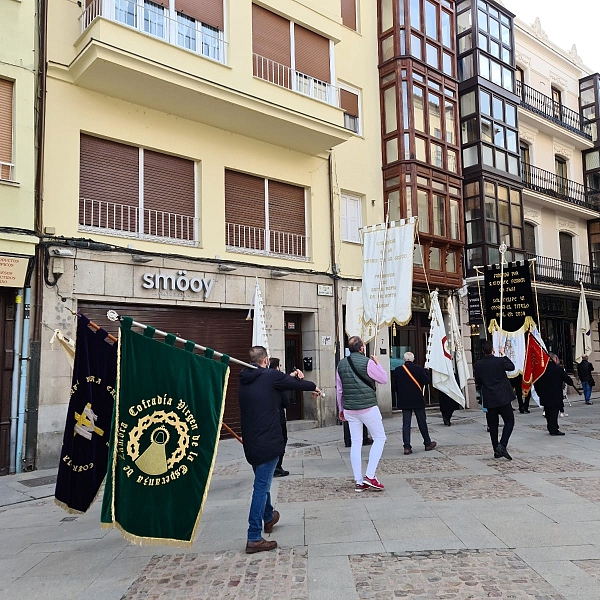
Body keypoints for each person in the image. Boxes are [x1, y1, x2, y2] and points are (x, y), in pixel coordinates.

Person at [239, 346, 321, 554]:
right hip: (268, 441)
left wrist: (290, 376)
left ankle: (268, 517)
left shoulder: (245, 378)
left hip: (251, 442)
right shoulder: (269, 377)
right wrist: (311, 384)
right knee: (261, 487)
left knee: (262, 482)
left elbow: (277, 381)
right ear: (266, 360)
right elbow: (289, 383)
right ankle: (254, 537)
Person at [337, 336, 388, 492]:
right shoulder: (368, 362)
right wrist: (378, 364)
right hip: (367, 407)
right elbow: (383, 379)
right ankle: (370, 475)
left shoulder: (341, 364)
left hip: (350, 409)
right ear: (361, 348)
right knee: (380, 438)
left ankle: (359, 481)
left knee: (356, 443)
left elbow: (339, 389)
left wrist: (341, 408)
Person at [473, 340, 515, 460]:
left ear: (482, 351)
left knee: (493, 425)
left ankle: (496, 449)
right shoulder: (500, 361)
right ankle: (502, 444)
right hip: (502, 398)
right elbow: (511, 367)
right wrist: (504, 354)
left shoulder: (478, 365)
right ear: (493, 350)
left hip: (490, 398)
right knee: (509, 421)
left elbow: (479, 382)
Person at [392, 352, 437, 453]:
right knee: (422, 422)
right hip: (417, 399)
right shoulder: (419, 369)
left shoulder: (398, 370)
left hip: (404, 400)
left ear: (404, 359)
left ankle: (407, 447)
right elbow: (426, 381)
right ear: (413, 359)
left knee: (406, 424)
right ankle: (427, 443)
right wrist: (426, 371)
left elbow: (394, 387)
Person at [269, 357, 304, 478]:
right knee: (281, 441)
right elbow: (286, 402)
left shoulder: (265, 378)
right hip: (278, 417)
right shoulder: (278, 380)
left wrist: (292, 375)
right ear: (277, 367)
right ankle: (277, 467)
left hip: (267, 418)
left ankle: (271, 467)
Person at [534, 353, 573, 436]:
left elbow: (535, 382)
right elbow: (567, 379)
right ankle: (554, 429)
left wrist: (539, 393)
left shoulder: (541, 370)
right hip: (555, 394)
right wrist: (571, 382)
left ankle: (550, 427)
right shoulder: (558, 369)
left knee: (548, 412)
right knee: (554, 413)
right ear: (554, 359)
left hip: (544, 395)